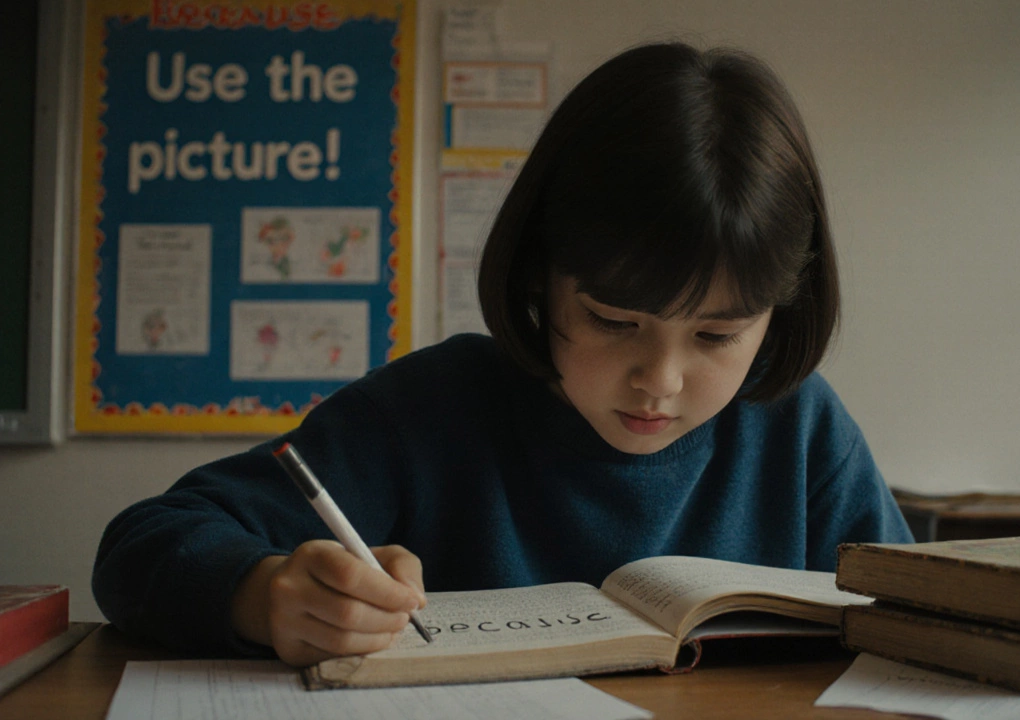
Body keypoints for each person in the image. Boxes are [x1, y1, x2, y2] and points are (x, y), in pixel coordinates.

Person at [92, 41, 913, 667]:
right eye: (612, 320)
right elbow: (142, 544)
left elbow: (927, 620)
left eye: (717, 336)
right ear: (539, 276)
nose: (660, 382)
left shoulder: (800, 429)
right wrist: (261, 595)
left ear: (779, 314)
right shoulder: (428, 413)